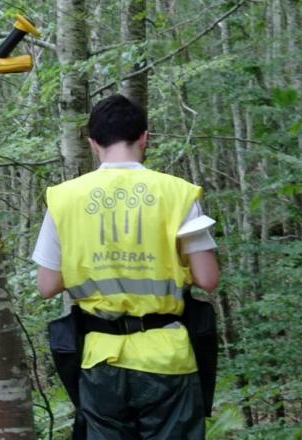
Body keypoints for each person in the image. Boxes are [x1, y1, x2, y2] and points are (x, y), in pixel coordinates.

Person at [32, 94, 220, 439]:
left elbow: (47, 286)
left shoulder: (64, 198)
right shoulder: (177, 194)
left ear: (92, 144)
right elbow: (208, 279)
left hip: (100, 358)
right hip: (168, 358)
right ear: (145, 138)